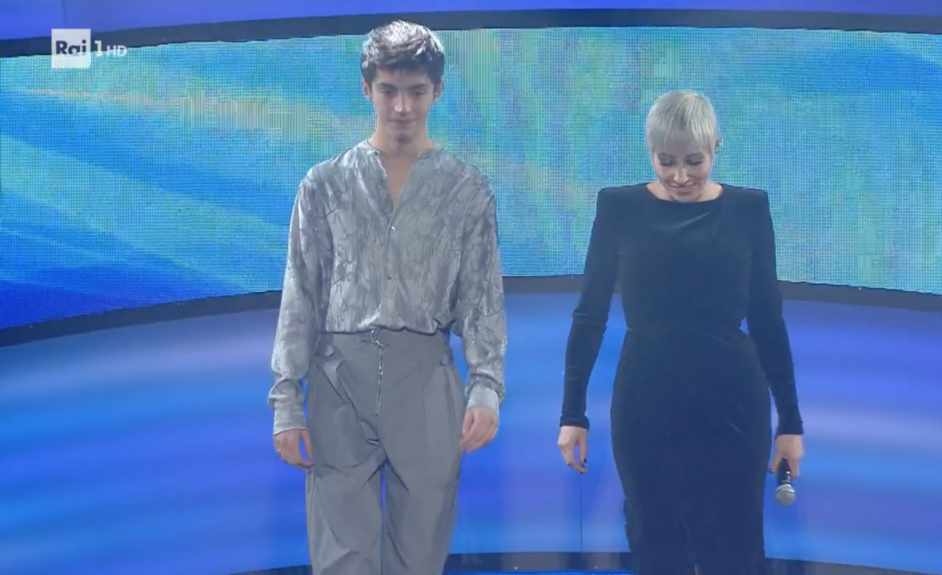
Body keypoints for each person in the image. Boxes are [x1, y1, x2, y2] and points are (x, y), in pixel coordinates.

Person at [267, 20, 507, 575]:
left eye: (416, 91)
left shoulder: (467, 190)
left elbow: (482, 299)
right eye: (389, 90)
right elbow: (301, 294)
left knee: (420, 552)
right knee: (341, 558)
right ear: (367, 88)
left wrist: (486, 388)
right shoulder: (323, 184)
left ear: (437, 91)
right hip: (338, 381)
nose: (402, 106)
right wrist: (286, 402)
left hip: (425, 379)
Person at [556, 91, 805, 575]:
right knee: (655, 545)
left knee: (733, 551)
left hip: (733, 403)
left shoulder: (749, 210)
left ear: (716, 148)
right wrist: (572, 413)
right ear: (650, 153)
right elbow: (589, 315)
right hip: (646, 402)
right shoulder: (619, 208)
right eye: (666, 161)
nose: (680, 176)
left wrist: (790, 422)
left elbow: (767, 319)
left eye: (694, 161)